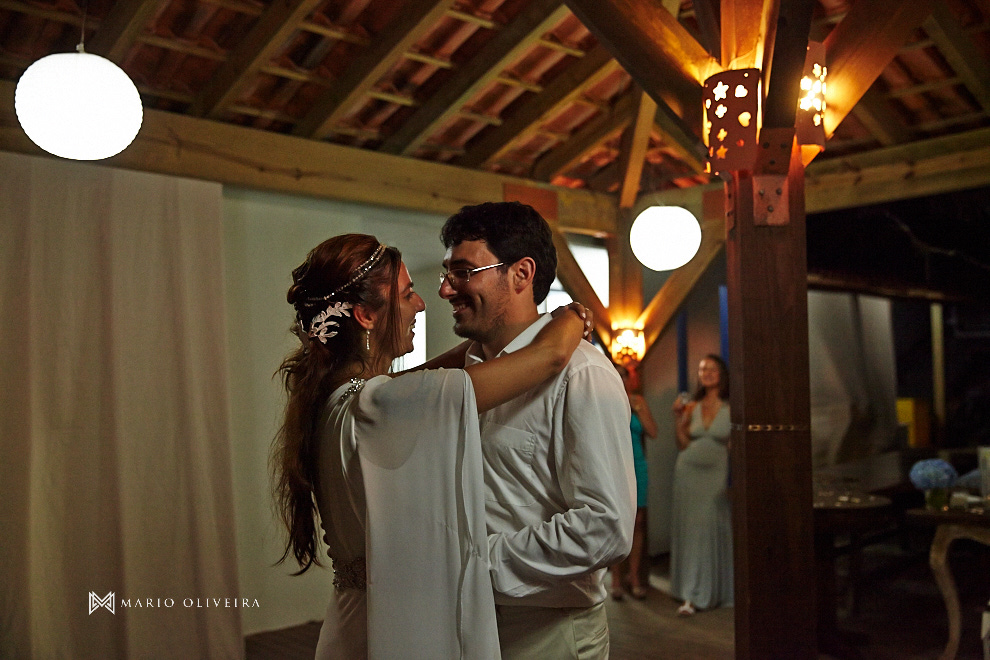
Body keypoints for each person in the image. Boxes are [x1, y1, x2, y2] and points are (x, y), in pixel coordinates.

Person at [271, 233, 593, 659]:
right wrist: (570, 317)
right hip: (398, 624)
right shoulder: (383, 403)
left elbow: (424, 375)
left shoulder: (336, 400)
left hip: (355, 620)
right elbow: (550, 356)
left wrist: (490, 335)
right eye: (407, 294)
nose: (422, 303)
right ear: (366, 315)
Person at [438, 201, 636, 659]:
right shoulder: (461, 376)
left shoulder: (582, 375)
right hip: (463, 620)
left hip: (549, 630)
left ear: (521, 274)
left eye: (464, 271)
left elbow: (605, 526)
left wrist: (477, 565)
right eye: (448, 272)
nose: (447, 289)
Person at [669, 354, 733, 616]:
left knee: (709, 528)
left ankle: (714, 590)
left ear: (721, 374)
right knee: (693, 531)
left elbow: (735, 445)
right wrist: (677, 418)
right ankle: (691, 594)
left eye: (712, 369)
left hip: (716, 474)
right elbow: (683, 444)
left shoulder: (733, 407)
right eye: (702, 368)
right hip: (688, 471)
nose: (706, 373)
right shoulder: (691, 406)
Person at [610, 361, 658, 601]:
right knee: (618, 521)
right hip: (614, 465)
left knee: (638, 521)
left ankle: (635, 577)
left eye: (625, 376)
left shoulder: (638, 401)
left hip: (637, 464)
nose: (622, 379)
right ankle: (616, 579)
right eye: (616, 375)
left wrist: (638, 409)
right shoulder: (605, 401)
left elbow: (653, 431)